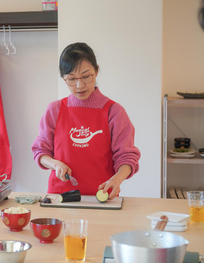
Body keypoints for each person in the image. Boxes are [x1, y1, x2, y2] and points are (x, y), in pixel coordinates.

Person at [31, 42, 140, 199]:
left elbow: (127, 157)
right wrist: (55, 164)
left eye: (86, 76)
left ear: (96, 71)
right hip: (60, 198)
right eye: (71, 79)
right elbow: (40, 151)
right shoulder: (55, 110)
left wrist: (117, 179)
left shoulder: (114, 112)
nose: (79, 85)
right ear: (63, 78)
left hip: (102, 198)